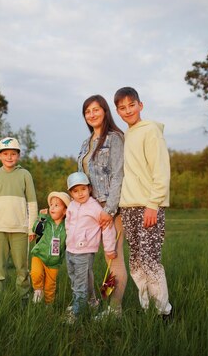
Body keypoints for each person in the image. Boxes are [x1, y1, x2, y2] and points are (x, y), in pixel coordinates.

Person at [114, 87, 173, 317]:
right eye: (122, 107)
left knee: (150, 261)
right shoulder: (127, 135)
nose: (128, 110)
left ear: (141, 105)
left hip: (148, 206)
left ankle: (164, 312)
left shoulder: (150, 131)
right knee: (136, 261)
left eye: (131, 105)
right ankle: (147, 307)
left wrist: (153, 204)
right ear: (117, 111)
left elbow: (161, 170)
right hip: (128, 207)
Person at [77, 94, 128, 318]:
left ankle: (114, 310)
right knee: (82, 256)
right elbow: (81, 181)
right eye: (88, 111)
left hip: (110, 206)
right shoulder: (85, 144)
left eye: (96, 109)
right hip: (90, 208)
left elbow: (119, 175)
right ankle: (91, 301)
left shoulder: (115, 138)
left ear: (105, 111)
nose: (92, 114)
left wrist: (109, 210)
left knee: (113, 258)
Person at [0, 137, 38, 305]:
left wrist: (31, 228)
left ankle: (24, 299)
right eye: (5, 153)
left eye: (13, 153)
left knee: (22, 267)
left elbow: (32, 203)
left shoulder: (25, 175)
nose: (9, 157)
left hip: (20, 230)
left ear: (18, 155)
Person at [65, 171, 117, 323]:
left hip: (85, 250)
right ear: (71, 193)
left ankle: (76, 312)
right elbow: (68, 225)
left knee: (80, 283)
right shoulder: (72, 206)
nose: (80, 194)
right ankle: (91, 302)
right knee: (75, 278)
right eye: (75, 191)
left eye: (83, 189)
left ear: (89, 189)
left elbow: (107, 227)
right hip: (70, 249)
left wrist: (109, 248)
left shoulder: (94, 207)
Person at [30, 191, 71, 305]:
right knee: (36, 273)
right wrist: (41, 218)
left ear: (65, 211)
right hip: (39, 255)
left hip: (54, 262)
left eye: (56, 205)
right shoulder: (46, 221)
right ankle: (38, 290)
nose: (52, 207)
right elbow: (36, 229)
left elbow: (70, 242)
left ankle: (49, 305)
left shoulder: (67, 227)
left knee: (50, 285)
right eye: (51, 205)